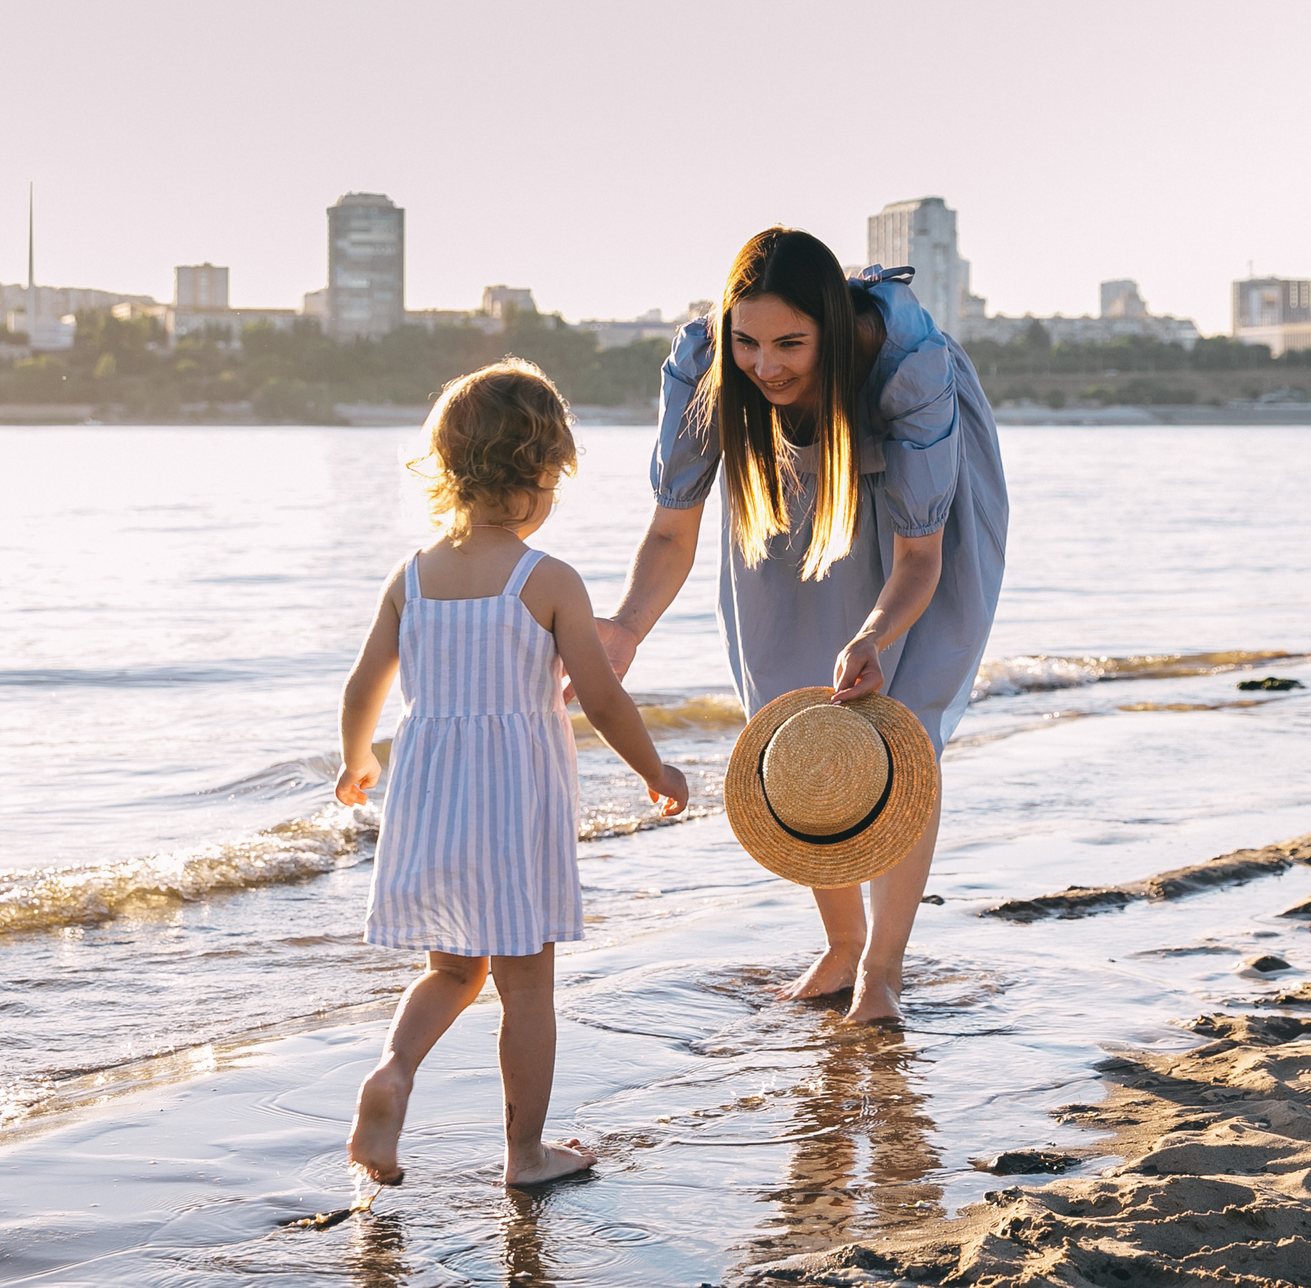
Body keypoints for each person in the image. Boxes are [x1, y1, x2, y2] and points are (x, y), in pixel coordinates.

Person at [594, 227, 1007, 1023]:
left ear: (829, 327)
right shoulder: (707, 366)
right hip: (789, 497)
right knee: (797, 709)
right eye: (748, 341)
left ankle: (882, 968)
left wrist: (874, 635)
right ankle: (843, 941)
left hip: (912, 506)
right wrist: (626, 626)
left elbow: (919, 560)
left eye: (791, 343)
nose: (767, 365)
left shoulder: (907, 370)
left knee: (901, 720)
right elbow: (671, 530)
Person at [333, 359, 690, 1189]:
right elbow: (600, 696)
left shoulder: (412, 576)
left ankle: (392, 1071)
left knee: (452, 969)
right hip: (512, 802)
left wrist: (357, 760)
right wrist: (655, 766)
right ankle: (524, 1153)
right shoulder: (547, 579)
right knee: (526, 985)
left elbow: (363, 685)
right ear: (542, 472)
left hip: (429, 798)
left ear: (448, 468)